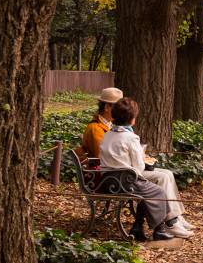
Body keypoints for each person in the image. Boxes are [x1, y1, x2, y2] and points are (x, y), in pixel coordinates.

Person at [99, 98, 190, 241]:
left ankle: (162, 222)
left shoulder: (107, 134)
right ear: (132, 119)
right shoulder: (130, 137)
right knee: (158, 188)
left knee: (162, 178)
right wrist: (144, 159)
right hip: (125, 181)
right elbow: (138, 168)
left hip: (108, 180)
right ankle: (166, 225)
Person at [81, 87, 123, 159]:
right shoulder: (95, 129)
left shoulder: (109, 124)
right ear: (107, 107)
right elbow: (101, 157)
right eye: (117, 107)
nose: (121, 110)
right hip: (102, 169)